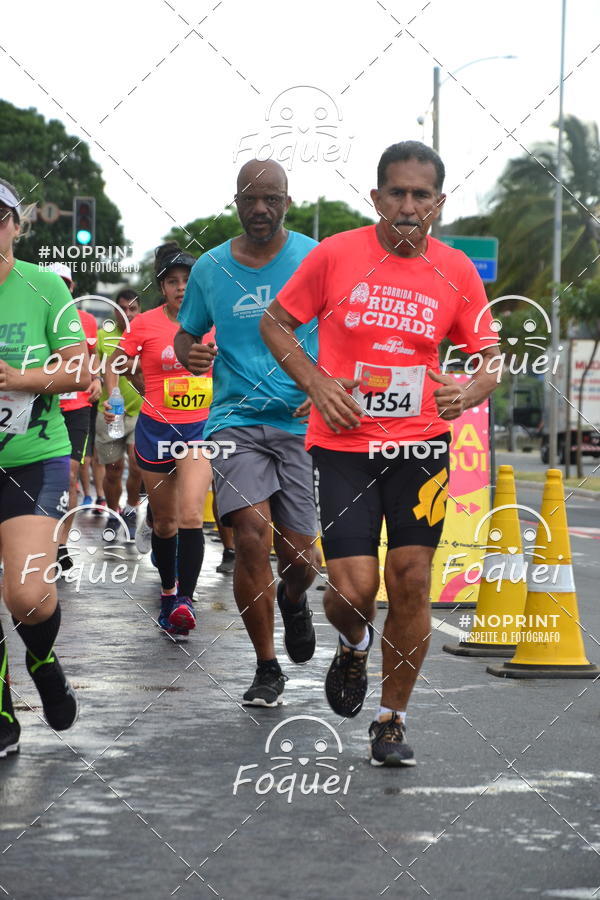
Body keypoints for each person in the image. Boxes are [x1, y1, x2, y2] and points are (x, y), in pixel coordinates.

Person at [260, 141, 501, 765]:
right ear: (376, 198)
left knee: (412, 581)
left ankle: (391, 721)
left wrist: (471, 388)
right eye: (397, 192)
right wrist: (315, 382)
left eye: (422, 195)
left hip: (421, 445)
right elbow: (275, 323)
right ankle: (353, 643)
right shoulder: (337, 254)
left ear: (439, 204)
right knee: (353, 589)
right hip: (343, 443)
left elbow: (489, 360)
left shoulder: (457, 271)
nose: (409, 205)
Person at [174, 159, 320, 707]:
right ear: (236, 202)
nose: (261, 209)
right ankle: (265, 666)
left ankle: (294, 597)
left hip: (300, 422)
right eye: (250, 199)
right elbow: (184, 337)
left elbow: (347, 324)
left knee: (302, 558)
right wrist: (192, 354)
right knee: (252, 534)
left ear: (288, 200)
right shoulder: (211, 268)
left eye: (271, 199)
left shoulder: (313, 257)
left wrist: (325, 384)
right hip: (234, 420)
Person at [0, 178, 90, 757]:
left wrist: (18, 379)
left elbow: (80, 370)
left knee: (28, 596)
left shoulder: (43, 286)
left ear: (14, 224)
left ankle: (41, 657)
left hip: (33, 460)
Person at [104, 243, 213, 641]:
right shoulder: (145, 324)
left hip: (198, 431)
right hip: (155, 430)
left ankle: (184, 599)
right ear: (162, 287)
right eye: (173, 282)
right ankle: (168, 594)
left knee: (190, 516)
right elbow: (114, 361)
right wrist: (117, 395)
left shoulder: (212, 321)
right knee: (165, 522)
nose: (182, 288)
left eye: (188, 281)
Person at [48, 263, 101, 569]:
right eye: (54, 282)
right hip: (41, 405)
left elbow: (92, 359)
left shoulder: (86, 321)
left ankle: (62, 545)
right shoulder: (33, 315)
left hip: (77, 407)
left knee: (69, 476)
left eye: (65, 283)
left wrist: (94, 381)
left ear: (71, 288)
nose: (60, 288)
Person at [94, 288, 143, 540]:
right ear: (115, 310)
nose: (127, 314)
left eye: (132, 309)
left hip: (142, 412)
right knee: (113, 468)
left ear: (139, 310)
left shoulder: (146, 333)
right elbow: (98, 371)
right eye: (122, 308)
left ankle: (132, 509)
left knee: (137, 465)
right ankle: (114, 514)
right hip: (111, 413)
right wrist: (111, 396)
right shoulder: (103, 336)